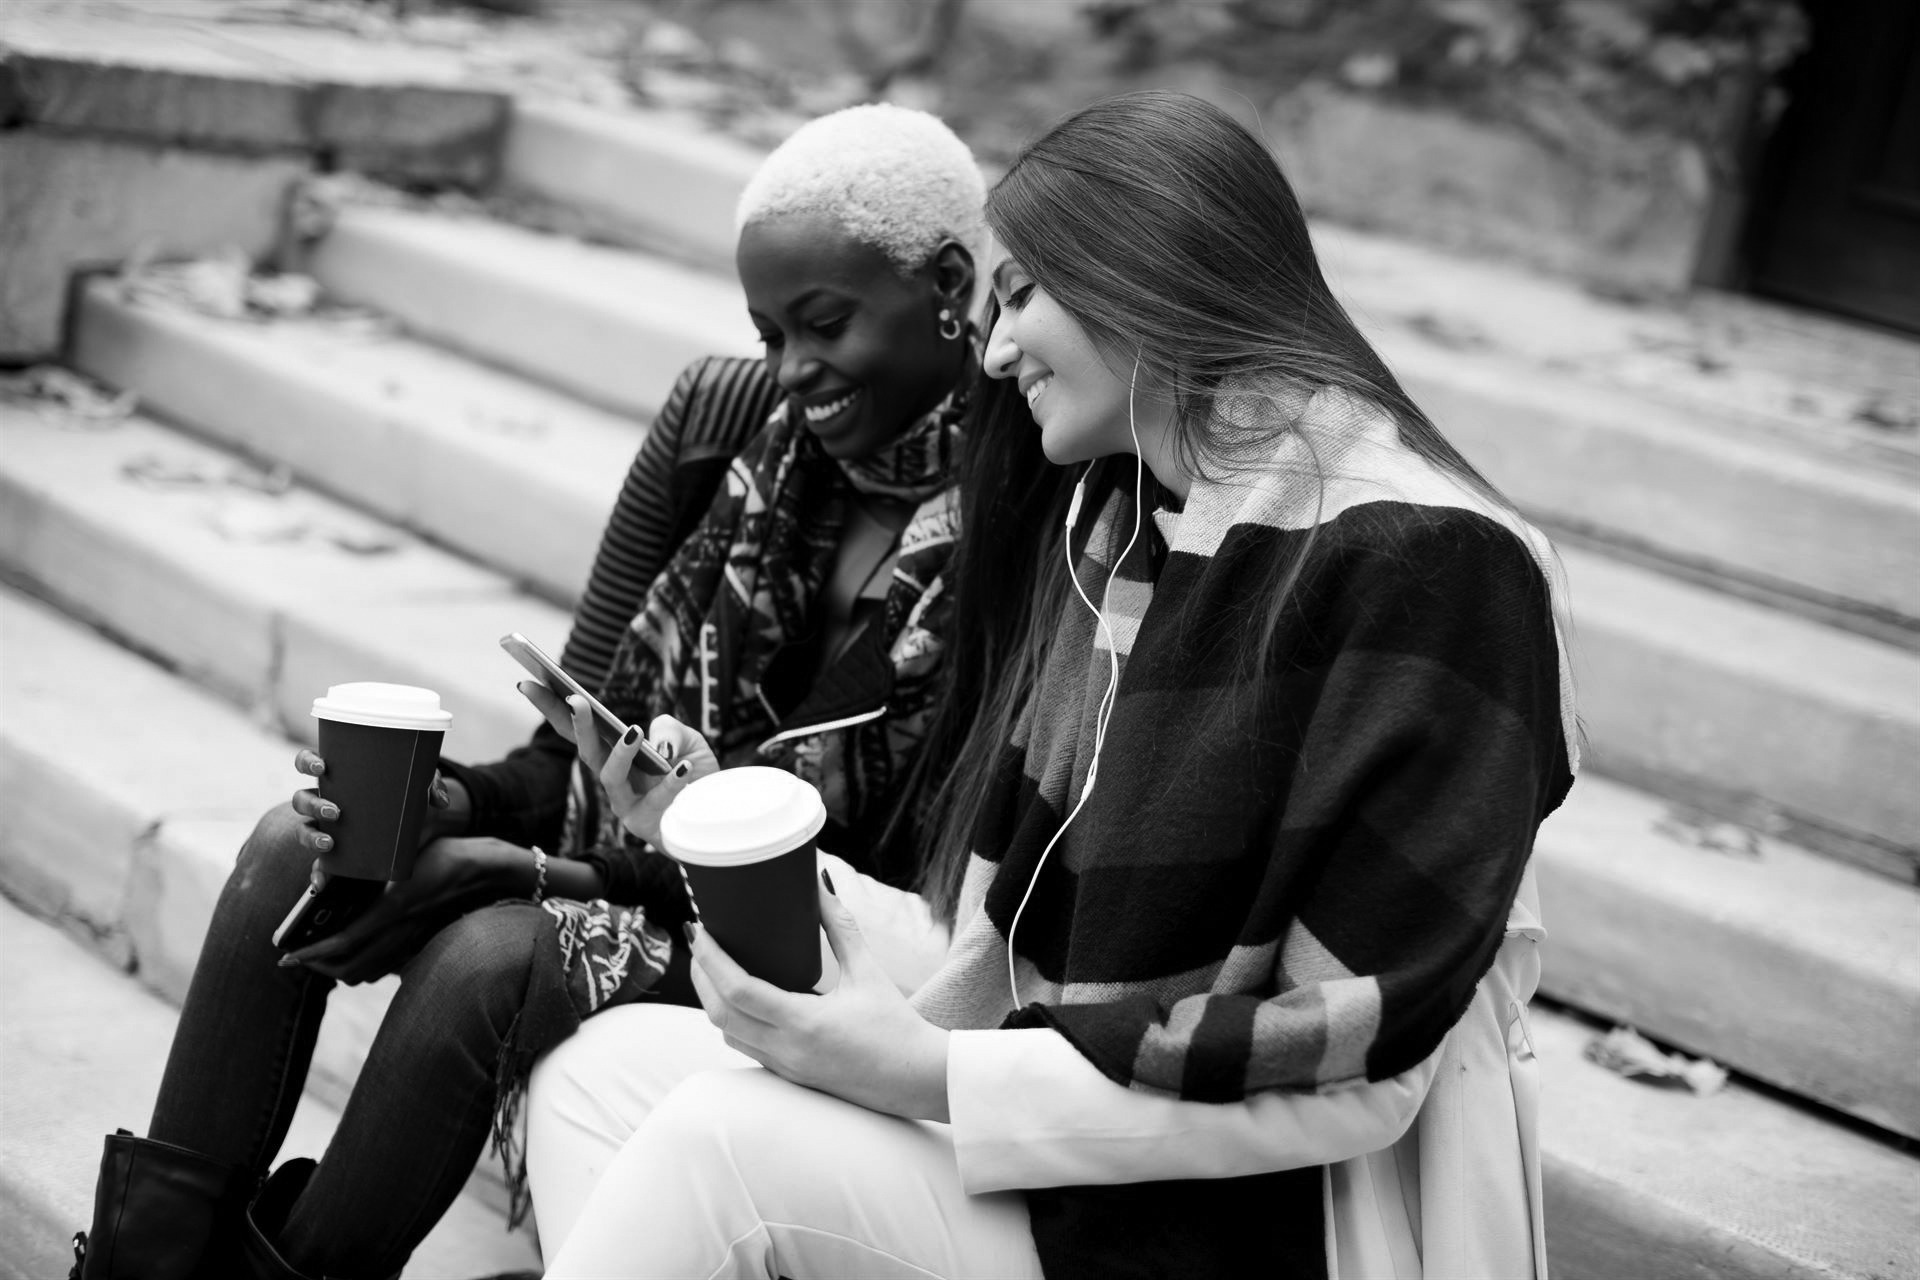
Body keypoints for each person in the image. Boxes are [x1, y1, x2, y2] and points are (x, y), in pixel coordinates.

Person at [522, 90, 1579, 1280]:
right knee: (592, 1078)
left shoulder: (1428, 566)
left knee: (721, 1138)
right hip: (1066, 1149)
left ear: (1145, 273)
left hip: (1246, 1222)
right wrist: (725, 838)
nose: (992, 348)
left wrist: (922, 1072)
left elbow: (1353, 1077)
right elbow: (1006, 953)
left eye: (1021, 293)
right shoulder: (1130, 525)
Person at [69, 102, 985, 1280]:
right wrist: (452, 807)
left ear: (949, 283)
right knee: (290, 852)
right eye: (768, 333)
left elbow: (883, 886)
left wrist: (546, 872)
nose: (792, 373)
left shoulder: (1022, 519)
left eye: (824, 324)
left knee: (492, 956)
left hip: (820, 950)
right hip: (633, 865)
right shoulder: (725, 424)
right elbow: (573, 748)